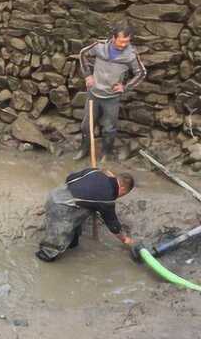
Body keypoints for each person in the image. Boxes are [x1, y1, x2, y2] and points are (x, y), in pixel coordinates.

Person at [74, 22, 146, 162]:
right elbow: (82, 54)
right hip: (93, 94)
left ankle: (106, 153)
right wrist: (87, 75)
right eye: (121, 41)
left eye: (127, 41)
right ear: (113, 37)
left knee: (109, 127)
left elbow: (141, 73)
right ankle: (84, 149)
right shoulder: (100, 46)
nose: (124, 45)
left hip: (112, 98)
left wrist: (125, 87)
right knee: (86, 125)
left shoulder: (131, 55)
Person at [36, 168, 135, 262]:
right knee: (50, 250)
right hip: (61, 207)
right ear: (122, 189)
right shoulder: (107, 198)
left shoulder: (94, 171)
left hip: (55, 194)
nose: (119, 196)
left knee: (74, 241)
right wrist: (125, 239)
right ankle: (45, 255)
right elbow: (113, 224)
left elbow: (70, 178)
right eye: (123, 194)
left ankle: (72, 241)